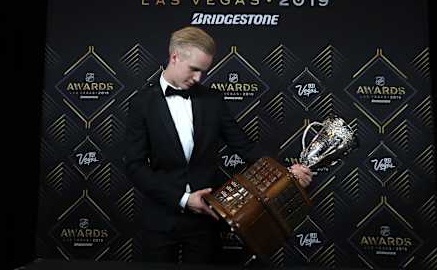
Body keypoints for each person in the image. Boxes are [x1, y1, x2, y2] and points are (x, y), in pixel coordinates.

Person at [123, 26, 313, 264]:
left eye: (203, 71)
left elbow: (244, 146)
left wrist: (286, 172)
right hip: (160, 219)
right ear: (175, 57)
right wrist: (183, 199)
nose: (198, 78)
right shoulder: (142, 104)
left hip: (207, 220)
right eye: (194, 69)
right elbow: (135, 167)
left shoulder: (213, 100)